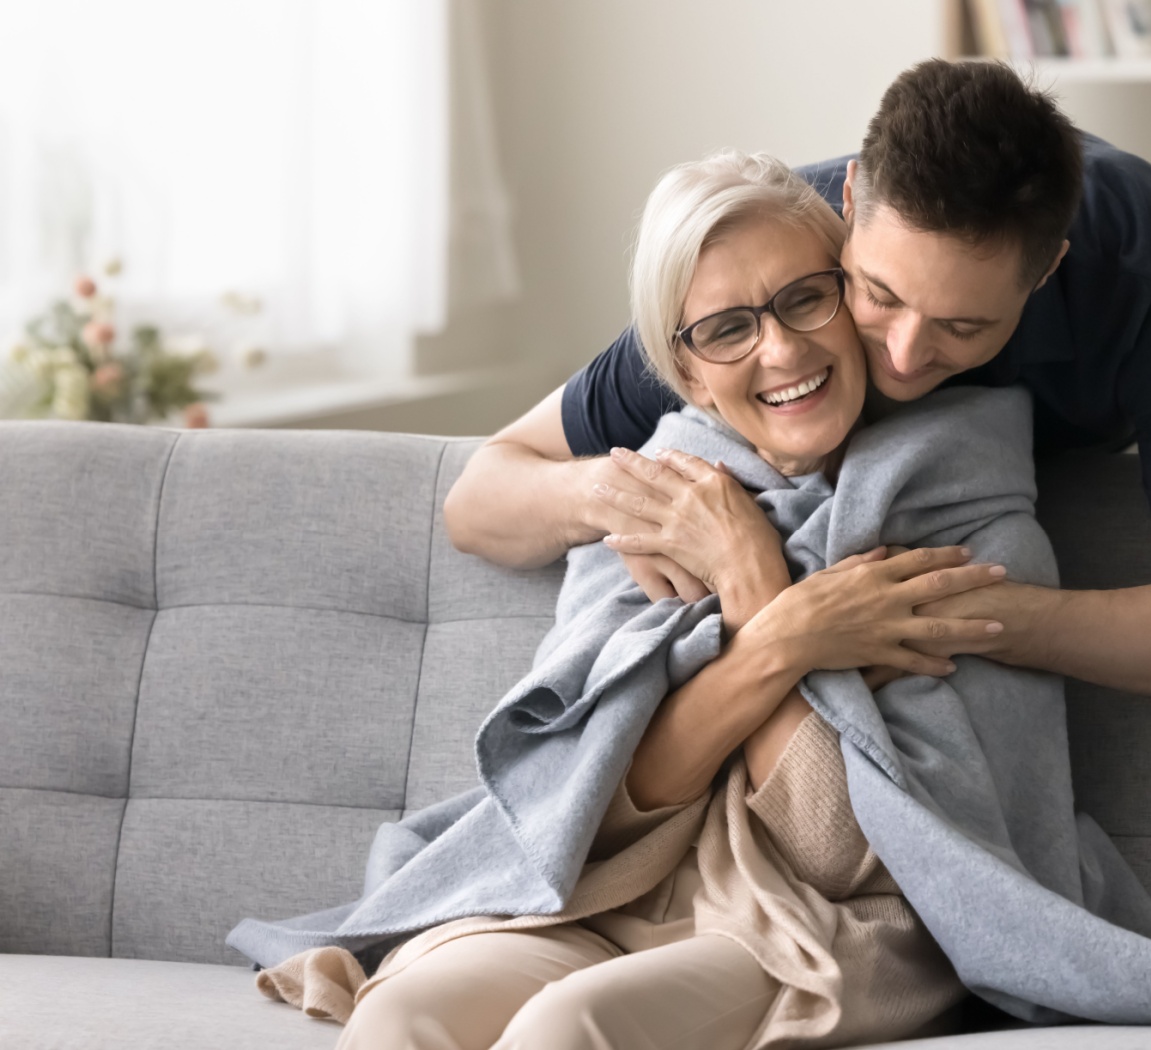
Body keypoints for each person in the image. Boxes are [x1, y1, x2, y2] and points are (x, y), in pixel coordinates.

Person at [313, 151, 998, 1050]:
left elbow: (834, 850)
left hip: (818, 927)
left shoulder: (953, 500)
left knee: (573, 1025)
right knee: (401, 1015)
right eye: (726, 329)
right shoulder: (654, 501)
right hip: (614, 896)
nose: (782, 350)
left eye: (805, 298)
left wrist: (751, 588)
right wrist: (784, 632)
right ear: (684, 367)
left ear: (852, 295)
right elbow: (592, 808)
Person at [444, 59, 1151, 701]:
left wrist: (956, 617)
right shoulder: (774, 263)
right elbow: (480, 496)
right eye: (876, 296)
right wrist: (622, 498)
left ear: (1046, 276)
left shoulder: (1145, 273)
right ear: (848, 204)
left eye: (963, 326)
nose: (898, 357)